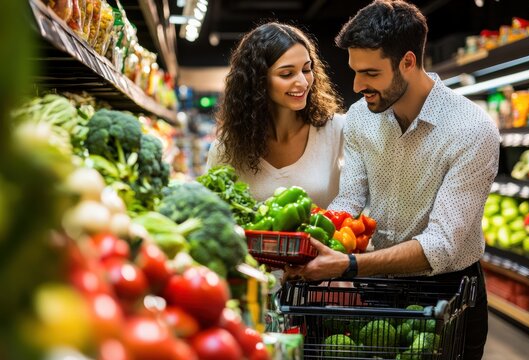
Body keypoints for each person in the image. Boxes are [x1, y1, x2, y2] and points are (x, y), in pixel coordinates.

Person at [285, 1, 499, 359]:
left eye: (369, 73)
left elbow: (442, 246)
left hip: (450, 296)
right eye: (355, 71)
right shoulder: (360, 118)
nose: (357, 85)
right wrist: (316, 244)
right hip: (379, 292)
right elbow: (349, 201)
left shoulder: (472, 130)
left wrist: (349, 265)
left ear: (408, 62)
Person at [206, 22, 345, 209]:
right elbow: (214, 213)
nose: (303, 82)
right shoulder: (226, 149)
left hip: (325, 239)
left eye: (306, 69)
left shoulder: (337, 131)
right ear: (258, 81)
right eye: (287, 74)